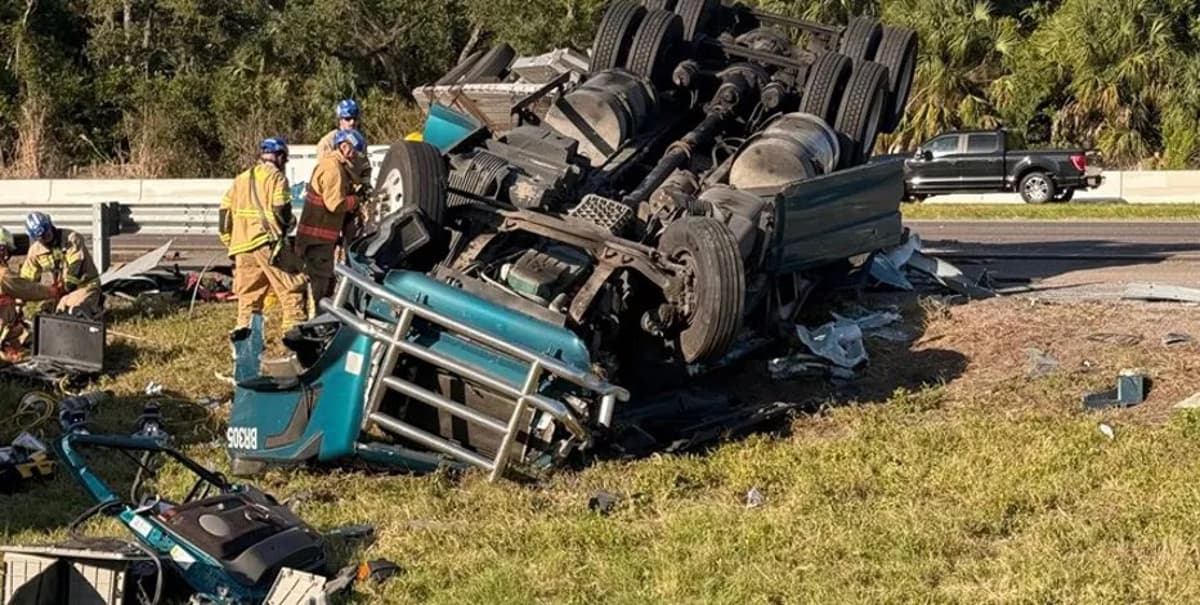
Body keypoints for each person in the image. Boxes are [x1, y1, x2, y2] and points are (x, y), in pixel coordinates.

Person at [219, 137, 308, 341]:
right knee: (291, 287)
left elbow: (224, 213)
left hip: (242, 246)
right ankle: (295, 337)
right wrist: (288, 224)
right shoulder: (277, 178)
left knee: (249, 298)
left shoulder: (241, 178)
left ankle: (244, 340)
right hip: (268, 244)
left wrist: (230, 241)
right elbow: (280, 209)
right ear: (280, 157)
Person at [296, 128, 364, 300]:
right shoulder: (334, 169)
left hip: (318, 238)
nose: (355, 156)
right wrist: (355, 200)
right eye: (354, 151)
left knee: (323, 279)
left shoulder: (332, 165)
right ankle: (320, 314)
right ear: (344, 147)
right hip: (317, 239)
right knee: (321, 281)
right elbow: (335, 204)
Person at [0, 227, 64, 361]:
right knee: (26, 356)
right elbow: (28, 289)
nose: (6, 255)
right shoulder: (3, 275)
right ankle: (8, 351)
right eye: (5, 250)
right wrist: (53, 291)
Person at [21, 212, 102, 318]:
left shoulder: (72, 239)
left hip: (84, 286)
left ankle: (95, 304)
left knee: (71, 312)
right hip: (59, 292)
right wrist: (20, 299)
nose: (46, 237)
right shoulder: (35, 251)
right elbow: (26, 279)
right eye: (41, 237)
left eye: (47, 231)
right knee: (44, 312)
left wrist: (59, 290)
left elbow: (75, 269)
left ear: (50, 225)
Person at [316, 99, 372, 187]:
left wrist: (365, 185)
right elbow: (326, 171)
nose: (352, 122)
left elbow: (365, 166)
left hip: (354, 188)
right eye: (348, 119)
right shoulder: (327, 142)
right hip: (333, 187)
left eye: (355, 118)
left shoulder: (360, 140)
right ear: (340, 120)